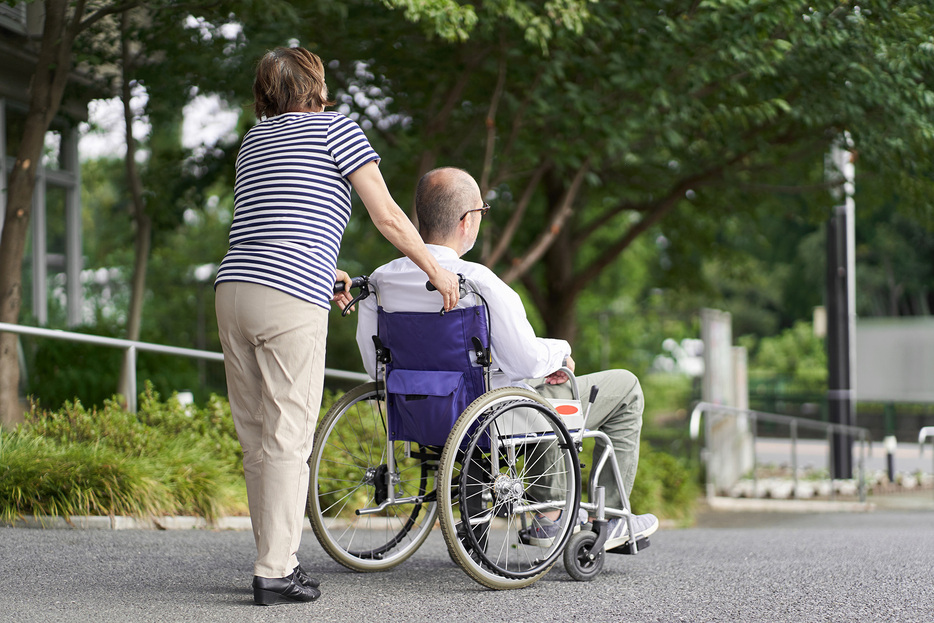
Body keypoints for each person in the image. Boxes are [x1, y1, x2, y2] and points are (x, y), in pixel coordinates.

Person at [214, 48, 460, 606]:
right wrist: (435, 270)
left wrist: (326, 271)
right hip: (285, 296)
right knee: (288, 436)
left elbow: (272, 222)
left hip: (234, 290)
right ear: (315, 84)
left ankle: (272, 559)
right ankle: (275, 571)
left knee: (259, 439)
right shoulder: (336, 130)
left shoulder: (255, 141)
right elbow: (389, 215)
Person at [355, 166, 658, 552]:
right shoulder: (478, 281)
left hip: (419, 413)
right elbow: (527, 361)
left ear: (421, 217)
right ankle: (607, 518)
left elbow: (375, 365)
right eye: (482, 212)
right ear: (467, 221)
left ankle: (551, 514)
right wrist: (561, 351)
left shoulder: (383, 279)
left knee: (539, 382)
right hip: (490, 417)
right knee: (618, 385)